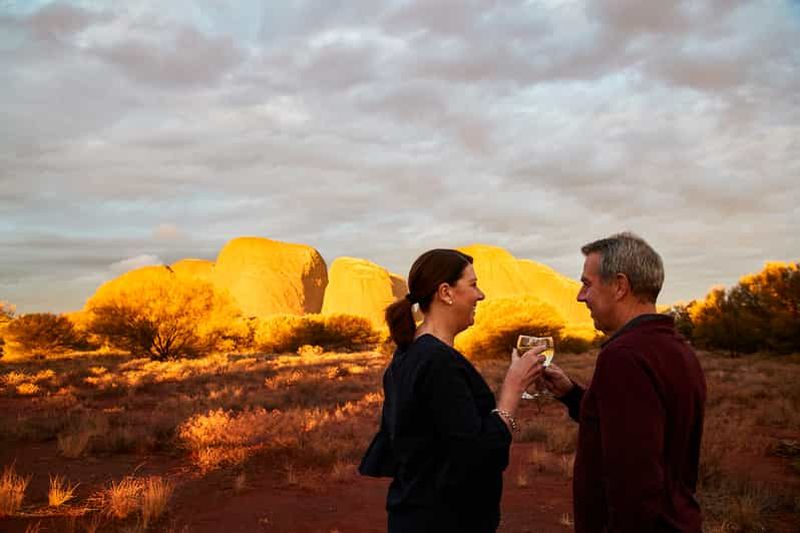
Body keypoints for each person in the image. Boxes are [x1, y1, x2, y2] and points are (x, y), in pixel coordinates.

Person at [359, 248, 546, 533]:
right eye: (472, 285)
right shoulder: (437, 362)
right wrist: (513, 389)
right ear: (445, 292)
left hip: (415, 514)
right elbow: (476, 456)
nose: (480, 295)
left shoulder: (408, 354)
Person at [543, 233, 707, 532]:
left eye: (587, 284)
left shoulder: (624, 356)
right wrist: (571, 394)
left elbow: (634, 481)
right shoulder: (675, 347)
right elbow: (633, 428)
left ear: (620, 286)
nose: (581, 296)